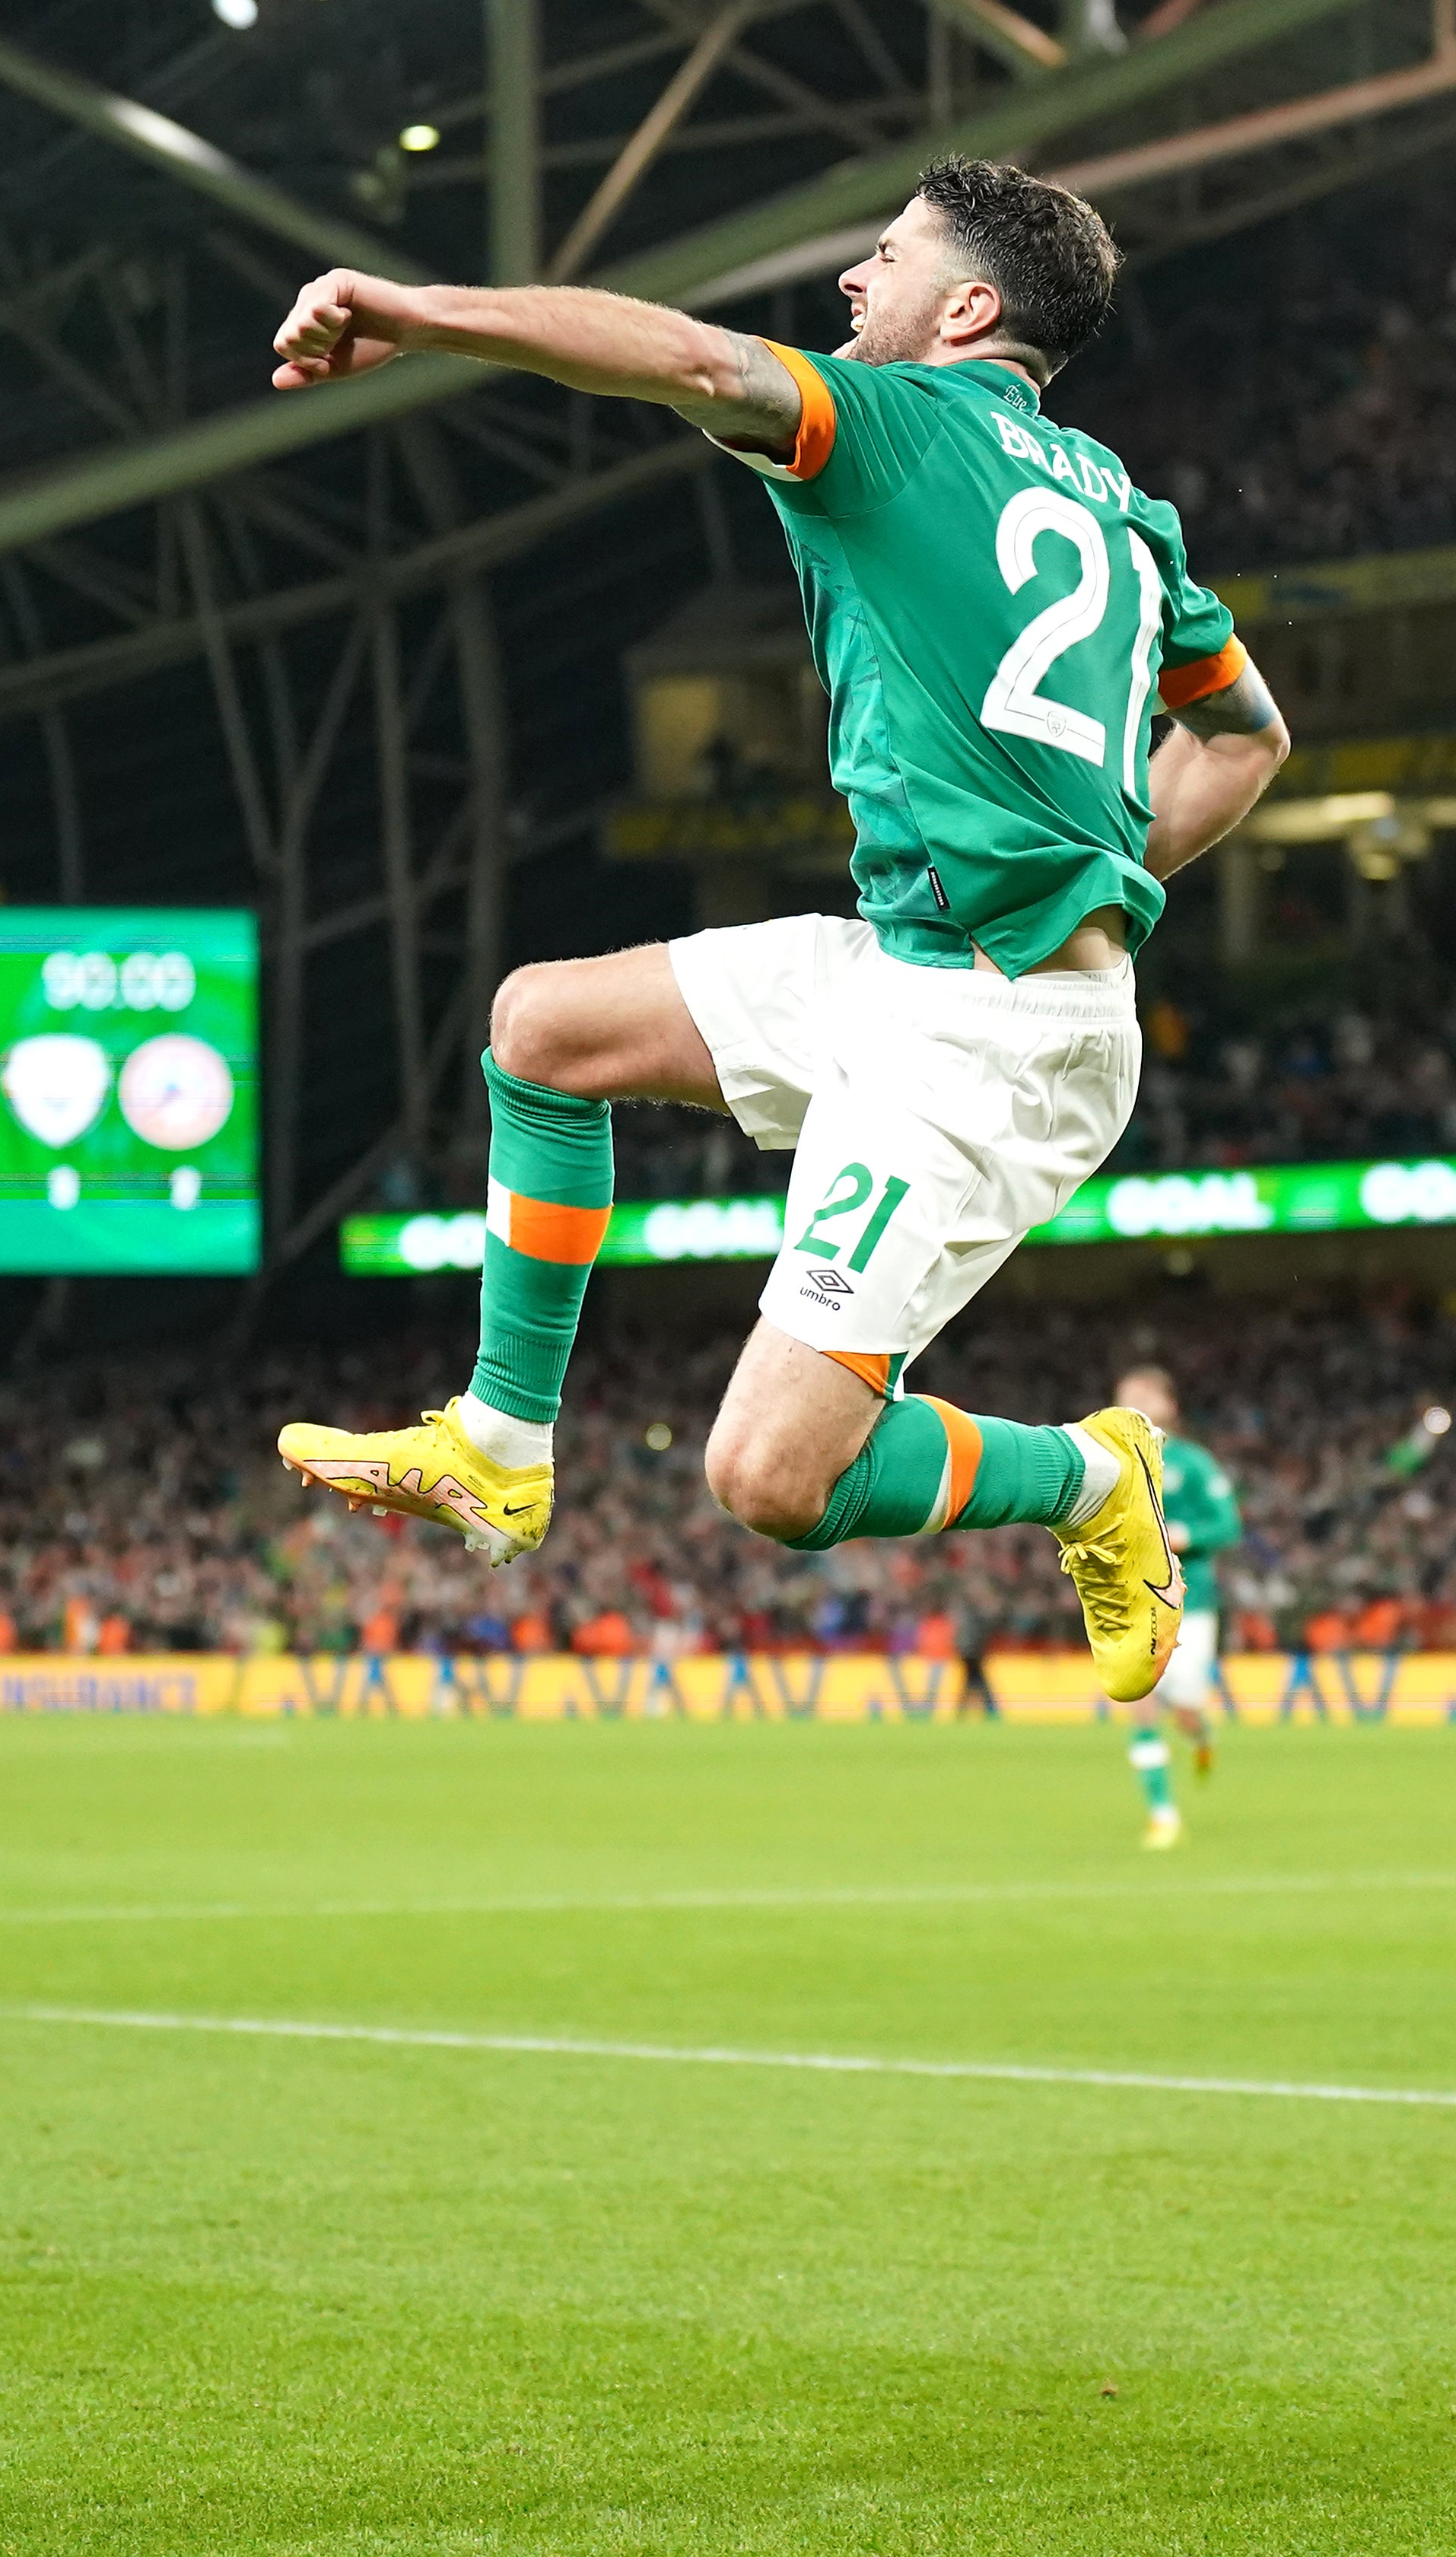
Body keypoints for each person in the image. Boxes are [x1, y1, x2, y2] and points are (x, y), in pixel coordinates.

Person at [264, 160, 1292, 1708]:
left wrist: (421, 316)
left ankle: (1090, 1475)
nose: (846, 286)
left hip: (986, 1037)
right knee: (540, 1027)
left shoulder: (890, 427)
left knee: (768, 1480)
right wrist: (1090, 864)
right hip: (912, 967)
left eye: (883, 259)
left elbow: (689, 361)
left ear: (969, 307)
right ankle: (498, 1441)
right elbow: (1246, 739)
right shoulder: (1125, 511)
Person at [1116, 1364, 1238, 1846]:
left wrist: (1184, 1535)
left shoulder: (1193, 1463)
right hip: (1132, 1598)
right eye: (1127, 1396)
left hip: (1191, 1599)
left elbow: (1229, 1526)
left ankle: (1200, 1734)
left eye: (1145, 1395)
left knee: (1185, 1709)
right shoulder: (1111, 1463)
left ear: (1169, 1405)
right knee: (1140, 1701)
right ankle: (1162, 1813)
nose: (1136, 1404)